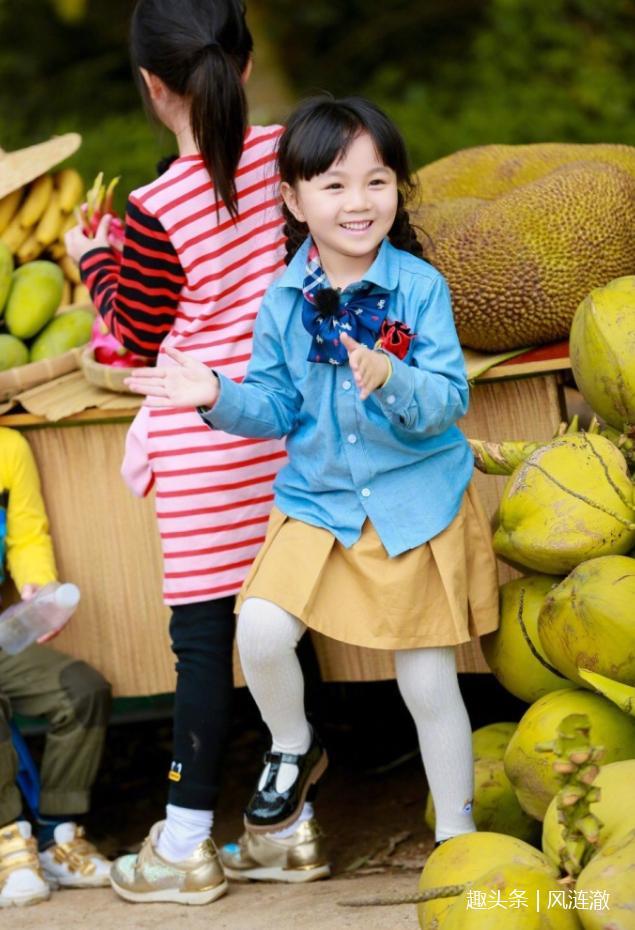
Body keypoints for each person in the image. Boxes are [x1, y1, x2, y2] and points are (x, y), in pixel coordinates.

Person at [126, 95, 501, 860]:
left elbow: (447, 401)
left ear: (397, 190)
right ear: (293, 200)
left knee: (427, 683)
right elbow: (274, 407)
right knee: (260, 628)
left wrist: (391, 376)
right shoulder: (281, 300)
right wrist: (216, 394)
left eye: (376, 181)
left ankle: (457, 840)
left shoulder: (418, 289)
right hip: (318, 503)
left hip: (412, 503)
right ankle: (294, 746)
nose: (358, 202)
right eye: (334, 185)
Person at [65, 0, 328, 904]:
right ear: (243, 65)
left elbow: (136, 338)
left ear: (152, 85)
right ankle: (288, 829)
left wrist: (94, 260)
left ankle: (183, 844)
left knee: (206, 643)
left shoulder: (152, 209)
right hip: (286, 426)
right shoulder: (292, 153)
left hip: (204, 439)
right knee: (284, 625)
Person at [0, 427, 112, 908]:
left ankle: (55, 837)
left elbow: (27, 533)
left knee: (82, 689)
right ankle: (8, 845)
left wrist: (38, 588)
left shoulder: (8, 448)